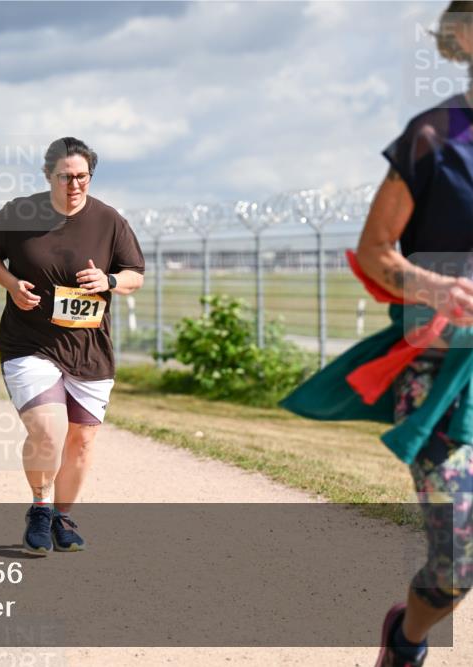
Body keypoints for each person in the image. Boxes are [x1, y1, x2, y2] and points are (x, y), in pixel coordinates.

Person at [282, 5, 473, 665]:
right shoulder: (434, 137)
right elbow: (376, 252)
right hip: (445, 377)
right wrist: (436, 288)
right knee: (459, 558)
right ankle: (407, 635)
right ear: (464, 36)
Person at [0, 137, 145, 555]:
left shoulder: (108, 220)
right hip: (29, 342)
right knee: (48, 430)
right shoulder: (19, 213)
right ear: (48, 175)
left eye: (82, 177)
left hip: (89, 349)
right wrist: (12, 284)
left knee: (82, 440)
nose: (74, 185)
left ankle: (62, 516)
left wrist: (109, 281)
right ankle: (39, 507)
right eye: (66, 176)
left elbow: (134, 275)